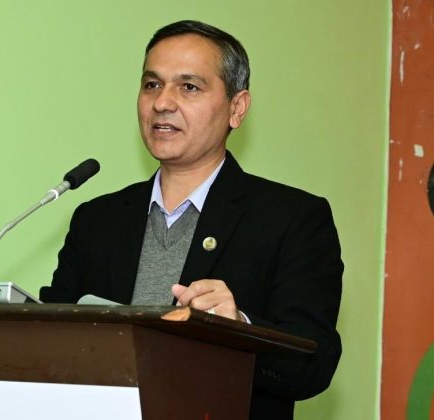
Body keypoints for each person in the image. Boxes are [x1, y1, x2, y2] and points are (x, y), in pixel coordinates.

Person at [40, 20, 342, 419]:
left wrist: (239, 326)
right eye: (152, 84)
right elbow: (51, 339)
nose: (162, 103)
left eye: (189, 87)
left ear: (237, 108)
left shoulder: (292, 218)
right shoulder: (97, 220)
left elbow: (314, 364)